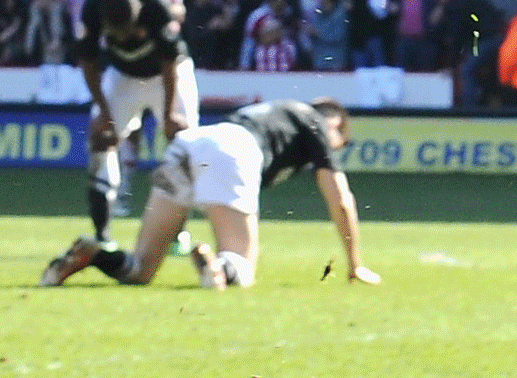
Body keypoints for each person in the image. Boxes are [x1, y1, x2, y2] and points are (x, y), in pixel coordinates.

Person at [40, 97, 377, 290]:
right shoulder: (315, 122)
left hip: (194, 142)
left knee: (140, 271)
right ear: (336, 125)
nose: (337, 148)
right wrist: (355, 264)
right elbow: (340, 199)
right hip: (234, 151)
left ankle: (97, 252)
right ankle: (216, 265)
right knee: (241, 269)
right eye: (341, 142)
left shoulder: (277, 113)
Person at [73, 0, 199, 248]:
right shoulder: (93, 8)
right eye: (114, 33)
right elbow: (89, 63)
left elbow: (169, 64)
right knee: (100, 140)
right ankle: (102, 235)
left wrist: (167, 115)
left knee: (184, 143)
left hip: (168, 75)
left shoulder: (157, 7)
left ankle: (178, 232)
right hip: (123, 76)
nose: (120, 38)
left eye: (126, 31)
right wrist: (104, 111)